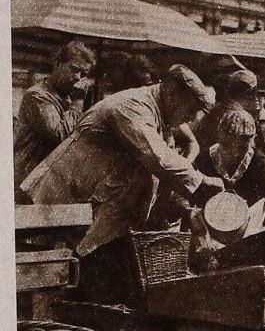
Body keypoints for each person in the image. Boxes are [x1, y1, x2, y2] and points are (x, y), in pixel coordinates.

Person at [20, 64, 225, 305]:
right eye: (191, 108)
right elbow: (157, 157)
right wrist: (199, 184)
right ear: (170, 92)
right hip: (58, 201)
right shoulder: (132, 106)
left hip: (90, 211)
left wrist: (184, 207)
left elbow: (159, 174)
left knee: (80, 284)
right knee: (42, 284)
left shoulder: (160, 117)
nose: (191, 118)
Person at [14, 40, 96, 189]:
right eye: (74, 69)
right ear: (58, 63)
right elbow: (60, 135)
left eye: (83, 74)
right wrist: (78, 102)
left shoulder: (68, 98)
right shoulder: (37, 95)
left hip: (47, 182)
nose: (78, 77)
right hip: (26, 181)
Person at [195, 110, 265, 226]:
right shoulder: (204, 159)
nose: (234, 153)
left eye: (242, 148)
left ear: (253, 142)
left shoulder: (259, 163)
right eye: (226, 145)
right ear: (219, 137)